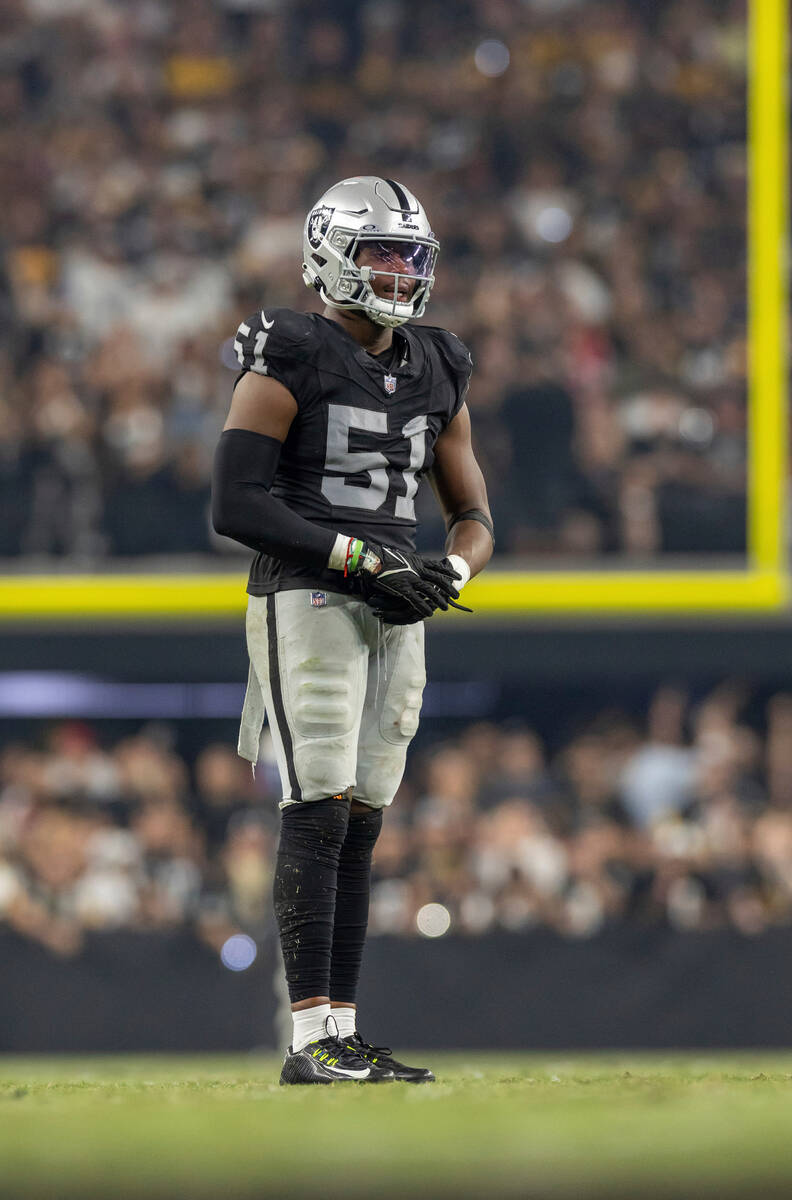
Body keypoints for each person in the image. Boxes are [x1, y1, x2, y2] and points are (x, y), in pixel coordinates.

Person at [212, 176, 493, 1084]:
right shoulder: (290, 348)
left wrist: (447, 574)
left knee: (363, 819)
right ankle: (308, 1042)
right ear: (333, 251)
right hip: (309, 597)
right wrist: (362, 563)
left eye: (413, 256)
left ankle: (341, 1032)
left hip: (395, 606)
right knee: (318, 803)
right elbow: (236, 503)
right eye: (383, 252)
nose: (402, 273)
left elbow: (475, 515)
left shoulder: (438, 362)